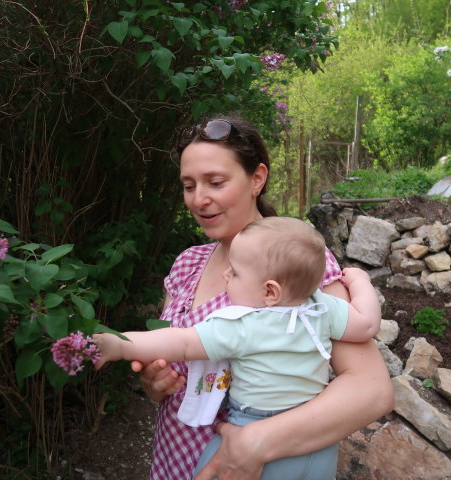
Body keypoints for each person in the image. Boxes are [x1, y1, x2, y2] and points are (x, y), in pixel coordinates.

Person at [125, 116, 393, 480]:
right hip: (175, 459)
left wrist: (256, 442)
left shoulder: (298, 268)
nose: (199, 199)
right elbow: (178, 369)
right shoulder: (186, 265)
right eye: (189, 185)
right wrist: (156, 385)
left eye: (215, 182)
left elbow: (371, 390)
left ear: (257, 179)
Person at [93, 216, 382, 479]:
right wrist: (360, 281)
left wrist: (119, 345)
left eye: (236, 273)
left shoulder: (243, 325)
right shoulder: (321, 307)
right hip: (316, 444)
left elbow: (180, 341)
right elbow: (367, 324)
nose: (226, 276)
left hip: (251, 430)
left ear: (270, 291)